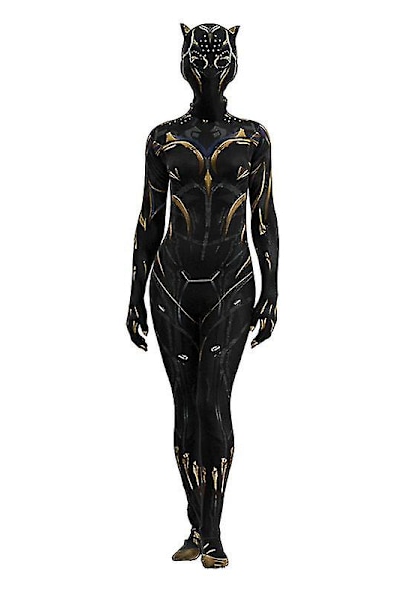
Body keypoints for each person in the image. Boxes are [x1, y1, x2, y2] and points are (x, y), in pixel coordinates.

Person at [126, 22, 279, 568]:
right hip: (171, 285)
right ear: (184, 61)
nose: (209, 68)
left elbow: (264, 217)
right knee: (185, 408)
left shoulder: (253, 138)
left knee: (213, 402)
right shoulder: (163, 139)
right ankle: (196, 526)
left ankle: (213, 534)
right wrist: (134, 291)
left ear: (234, 61)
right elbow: (149, 217)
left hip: (231, 285)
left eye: (218, 57)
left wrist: (272, 290)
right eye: (199, 56)